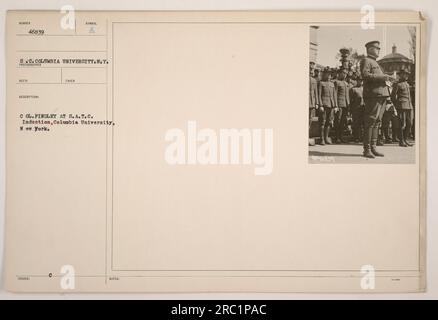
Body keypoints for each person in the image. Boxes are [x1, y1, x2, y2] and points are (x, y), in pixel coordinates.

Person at [360, 40, 396, 158]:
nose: (379, 50)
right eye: (377, 48)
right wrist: (384, 76)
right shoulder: (366, 61)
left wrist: (387, 79)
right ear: (370, 49)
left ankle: (373, 147)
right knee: (371, 121)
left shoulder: (375, 63)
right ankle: (367, 149)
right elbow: (365, 75)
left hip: (381, 95)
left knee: (376, 122)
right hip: (373, 95)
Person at [391, 69, 414, 147]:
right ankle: (401, 141)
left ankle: (405, 139)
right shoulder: (397, 84)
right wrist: (397, 105)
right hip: (401, 106)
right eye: (405, 74)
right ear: (400, 75)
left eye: (407, 74)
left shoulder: (407, 84)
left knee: (409, 123)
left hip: (409, 106)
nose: (406, 75)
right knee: (401, 124)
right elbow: (393, 96)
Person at [317, 68, 337, 145]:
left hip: (331, 105)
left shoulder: (332, 84)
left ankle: (326, 138)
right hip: (324, 105)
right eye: (327, 74)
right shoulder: (321, 83)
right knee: (322, 122)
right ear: (324, 74)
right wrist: (320, 105)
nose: (329, 75)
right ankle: (322, 139)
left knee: (329, 122)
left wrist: (335, 106)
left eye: (330, 74)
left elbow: (334, 95)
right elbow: (319, 95)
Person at [333, 69, 350, 143]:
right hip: (339, 104)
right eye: (343, 73)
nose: (345, 75)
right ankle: (337, 137)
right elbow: (335, 94)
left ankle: (341, 136)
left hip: (345, 105)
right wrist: (336, 105)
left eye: (346, 73)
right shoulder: (337, 82)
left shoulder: (346, 83)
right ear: (339, 73)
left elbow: (347, 95)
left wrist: (348, 105)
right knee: (338, 120)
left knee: (343, 121)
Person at [349, 76, 365, 142]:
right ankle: (356, 137)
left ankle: (362, 137)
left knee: (363, 123)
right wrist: (351, 109)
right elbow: (351, 100)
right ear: (357, 81)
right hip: (356, 108)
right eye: (359, 80)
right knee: (356, 123)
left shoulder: (364, 88)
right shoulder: (353, 89)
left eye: (361, 80)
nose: (360, 82)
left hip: (363, 108)